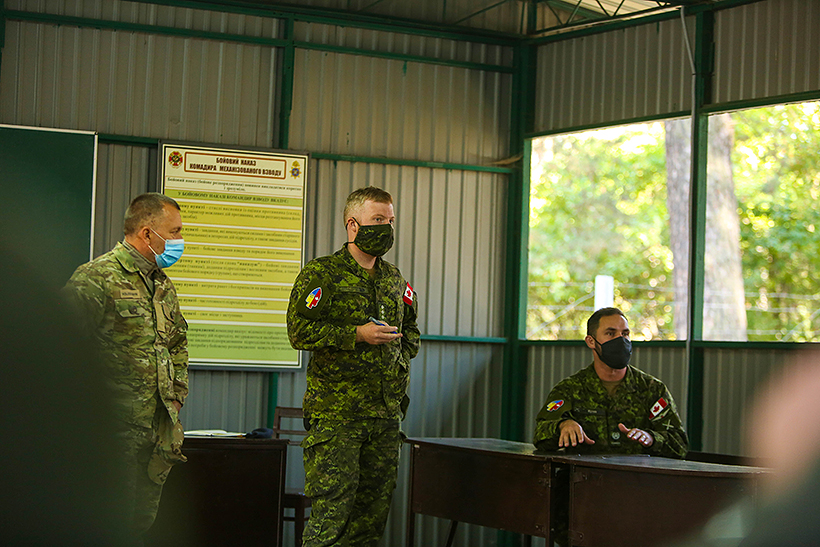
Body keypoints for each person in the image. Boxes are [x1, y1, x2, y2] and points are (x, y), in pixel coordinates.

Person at [287, 186, 420, 547]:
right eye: (378, 219)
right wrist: (357, 334)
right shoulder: (323, 274)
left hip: (385, 418)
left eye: (390, 220)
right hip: (338, 418)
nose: (387, 228)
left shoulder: (395, 280)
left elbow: (411, 330)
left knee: (369, 523)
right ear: (353, 225)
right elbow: (299, 331)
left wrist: (399, 357)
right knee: (329, 521)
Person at [63, 192, 189, 541]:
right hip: (110, 433)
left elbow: (178, 342)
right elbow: (61, 345)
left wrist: (176, 396)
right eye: (175, 232)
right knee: (105, 524)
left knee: (140, 523)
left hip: (156, 430)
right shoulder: (97, 277)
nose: (180, 240)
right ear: (147, 233)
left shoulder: (162, 285)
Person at [533, 307, 688, 458]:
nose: (620, 340)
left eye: (625, 334)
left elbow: (680, 445)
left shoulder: (652, 389)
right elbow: (540, 436)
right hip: (585, 473)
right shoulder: (570, 389)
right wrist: (562, 425)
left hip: (636, 474)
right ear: (591, 341)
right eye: (610, 333)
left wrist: (651, 438)